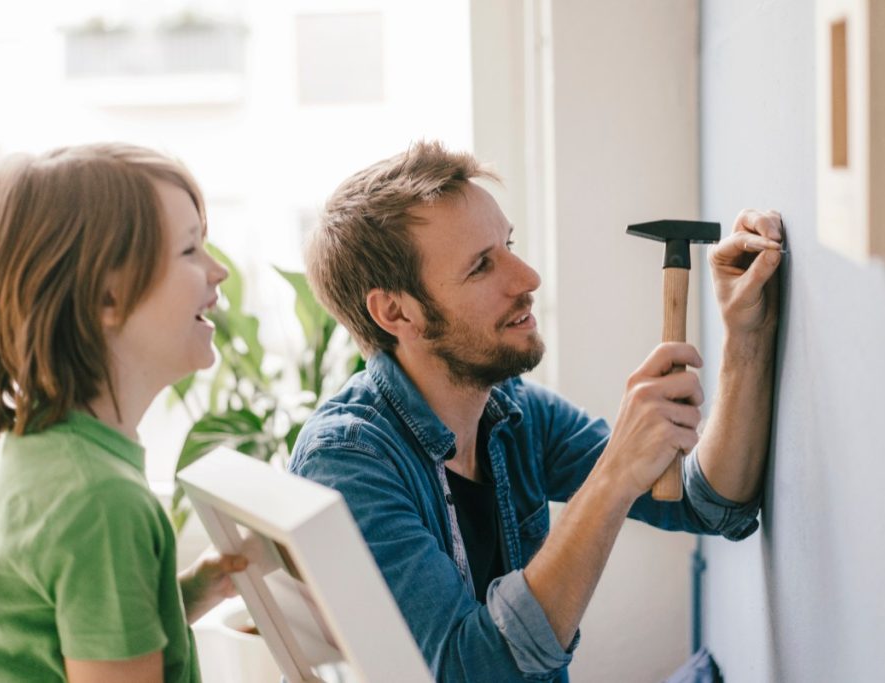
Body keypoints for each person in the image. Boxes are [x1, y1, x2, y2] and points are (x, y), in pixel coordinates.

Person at [289, 141, 782, 681]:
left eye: (509, 245)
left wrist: (745, 335)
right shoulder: (346, 463)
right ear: (395, 311)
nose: (526, 278)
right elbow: (475, 670)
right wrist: (615, 472)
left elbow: (714, 504)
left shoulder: (513, 415)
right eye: (481, 266)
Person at [0, 143, 247, 682]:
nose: (218, 271)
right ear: (106, 298)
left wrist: (186, 594)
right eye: (189, 251)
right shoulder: (101, 502)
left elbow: (70, 646)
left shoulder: (44, 452)